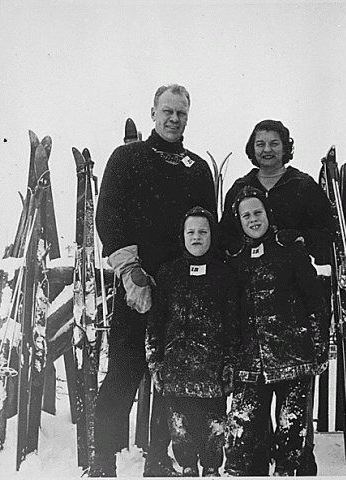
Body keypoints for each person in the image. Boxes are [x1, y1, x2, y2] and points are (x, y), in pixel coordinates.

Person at [93, 84, 217, 477]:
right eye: (167, 111)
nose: (173, 119)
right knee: (124, 372)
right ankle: (102, 462)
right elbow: (108, 217)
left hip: (180, 291)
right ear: (153, 112)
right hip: (137, 283)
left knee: (172, 377)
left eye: (180, 113)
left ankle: (160, 460)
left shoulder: (197, 169)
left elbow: (205, 224)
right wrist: (129, 271)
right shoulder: (128, 158)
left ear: (187, 117)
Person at [219, 119, 335, 475]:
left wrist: (299, 241)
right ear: (251, 148)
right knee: (247, 430)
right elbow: (226, 234)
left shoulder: (302, 186)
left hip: (290, 317)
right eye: (260, 143)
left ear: (286, 146)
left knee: (293, 429)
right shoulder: (241, 187)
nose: (266, 150)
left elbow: (325, 232)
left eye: (274, 143)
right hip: (251, 317)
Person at [146, 206, 240, 477]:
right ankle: (187, 469)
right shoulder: (168, 274)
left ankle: (211, 470)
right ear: (182, 236)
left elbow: (233, 326)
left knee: (213, 430)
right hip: (176, 374)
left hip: (212, 375)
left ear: (212, 235)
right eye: (191, 232)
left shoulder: (225, 276)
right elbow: (156, 324)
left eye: (203, 231)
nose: (197, 237)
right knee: (180, 430)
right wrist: (156, 363)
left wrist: (229, 363)